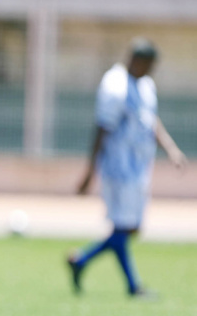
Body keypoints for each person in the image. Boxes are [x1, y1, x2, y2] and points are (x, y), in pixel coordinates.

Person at [68, 38, 187, 298]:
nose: (151, 70)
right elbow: (102, 128)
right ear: (137, 60)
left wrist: (171, 149)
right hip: (119, 168)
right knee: (124, 227)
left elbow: (150, 120)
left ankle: (82, 260)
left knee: (129, 229)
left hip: (139, 167)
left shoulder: (145, 85)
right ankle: (132, 285)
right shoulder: (115, 86)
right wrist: (90, 171)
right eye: (149, 65)